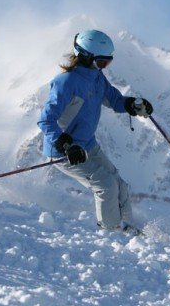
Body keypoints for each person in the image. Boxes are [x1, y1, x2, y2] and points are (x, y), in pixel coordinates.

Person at [37, 30, 153, 236]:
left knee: (119, 184)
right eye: (101, 63)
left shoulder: (96, 78)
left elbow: (114, 99)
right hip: (65, 151)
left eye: (107, 63)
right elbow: (46, 119)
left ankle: (129, 226)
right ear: (86, 56)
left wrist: (132, 105)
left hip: (88, 145)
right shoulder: (66, 82)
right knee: (106, 185)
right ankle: (113, 230)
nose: (104, 67)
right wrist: (65, 145)